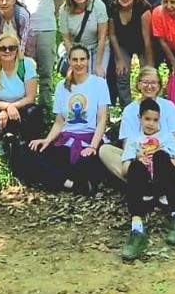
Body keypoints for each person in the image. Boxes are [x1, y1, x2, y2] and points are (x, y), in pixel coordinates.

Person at [23, 45, 110, 193]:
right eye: (74, 59)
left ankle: (58, 178)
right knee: (25, 152)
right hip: (67, 141)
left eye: (82, 59)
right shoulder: (61, 87)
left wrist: (93, 147)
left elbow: (102, 120)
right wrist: (47, 140)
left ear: (88, 60)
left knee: (86, 163)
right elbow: (60, 122)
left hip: (91, 140)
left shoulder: (99, 83)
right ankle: (70, 183)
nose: (79, 63)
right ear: (69, 61)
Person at [97, 67, 175, 186]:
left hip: (166, 154)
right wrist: (139, 154)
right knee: (105, 150)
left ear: (159, 86)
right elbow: (127, 143)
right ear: (138, 84)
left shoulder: (169, 106)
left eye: (153, 82)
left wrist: (162, 152)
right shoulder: (129, 110)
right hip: (139, 154)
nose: (149, 86)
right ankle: (139, 184)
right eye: (145, 82)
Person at [118, 98, 175, 261]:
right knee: (135, 166)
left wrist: (163, 152)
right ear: (140, 118)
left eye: (155, 120)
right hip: (144, 187)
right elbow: (124, 170)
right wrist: (137, 158)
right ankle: (137, 229)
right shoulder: (134, 140)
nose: (151, 123)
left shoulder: (167, 137)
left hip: (163, 183)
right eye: (147, 119)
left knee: (160, 156)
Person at [9, 0, 64, 104]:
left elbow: (59, 1)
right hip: (22, 31)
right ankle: (25, 107)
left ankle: (45, 107)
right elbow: (12, 1)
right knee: (23, 70)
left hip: (46, 28)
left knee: (46, 71)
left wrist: (49, 15)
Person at [0, 33, 42, 148]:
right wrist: (6, 108)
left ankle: (26, 142)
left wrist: (12, 107)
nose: (7, 51)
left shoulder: (26, 64)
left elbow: (30, 98)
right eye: (2, 48)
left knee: (34, 111)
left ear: (17, 49)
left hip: (21, 107)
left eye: (12, 48)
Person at [108, 0, 154, 107]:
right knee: (122, 74)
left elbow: (147, 39)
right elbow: (112, 35)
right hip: (122, 44)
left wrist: (149, 64)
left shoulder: (144, 8)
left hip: (142, 45)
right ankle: (127, 108)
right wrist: (119, 60)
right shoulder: (112, 7)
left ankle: (149, 105)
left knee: (147, 75)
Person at [59, 0, 110, 77]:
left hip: (97, 47)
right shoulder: (64, 10)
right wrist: (73, 62)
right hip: (75, 47)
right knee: (78, 77)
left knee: (97, 77)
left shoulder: (98, 5)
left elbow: (102, 37)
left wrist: (98, 65)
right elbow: (66, 40)